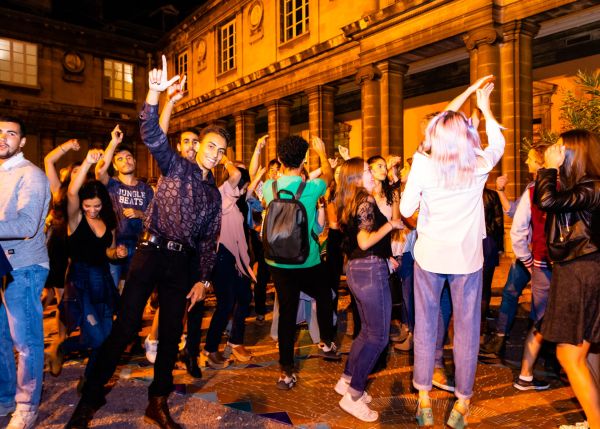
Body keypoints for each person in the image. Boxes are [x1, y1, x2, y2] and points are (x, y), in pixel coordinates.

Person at [66, 55, 225, 429]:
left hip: (182, 264)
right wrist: (155, 94)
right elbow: (152, 133)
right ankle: (89, 400)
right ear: (199, 146)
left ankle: (158, 401)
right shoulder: (176, 165)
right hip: (149, 252)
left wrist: (202, 280)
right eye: (210, 146)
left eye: (221, 151)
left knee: (171, 333)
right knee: (125, 328)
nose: (214, 154)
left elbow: (208, 241)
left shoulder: (214, 196)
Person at [400, 75, 503, 428]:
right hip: (466, 260)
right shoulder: (478, 164)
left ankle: (425, 400)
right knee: (466, 329)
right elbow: (499, 142)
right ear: (467, 137)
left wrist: (466, 94)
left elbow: (404, 209)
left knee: (427, 327)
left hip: (430, 257)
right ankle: (461, 403)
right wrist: (484, 106)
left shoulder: (423, 164)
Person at [262, 134, 339, 390]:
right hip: (307, 260)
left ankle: (286, 371)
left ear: (281, 159)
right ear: (304, 158)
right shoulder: (311, 187)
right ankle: (327, 342)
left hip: (278, 263)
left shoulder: (268, 188)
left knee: (286, 313)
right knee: (325, 297)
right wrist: (323, 151)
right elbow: (330, 177)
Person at [535, 129, 600, 429]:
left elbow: (546, 200)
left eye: (561, 149)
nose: (557, 152)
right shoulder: (584, 187)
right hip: (579, 270)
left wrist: (547, 168)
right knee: (583, 353)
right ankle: (594, 419)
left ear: (575, 153)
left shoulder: (593, 187)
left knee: (568, 354)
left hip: (581, 272)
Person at [333, 157, 403, 422]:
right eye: (366, 171)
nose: (371, 174)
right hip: (370, 271)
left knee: (365, 333)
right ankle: (353, 395)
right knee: (379, 337)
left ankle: (347, 380)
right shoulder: (365, 202)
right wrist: (390, 226)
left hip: (357, 269)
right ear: (354, 177)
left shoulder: (352, 201)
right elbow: (364, 242)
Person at [0, 116, 51, 429]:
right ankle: (5, 399)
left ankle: (26, 407)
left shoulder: (31, 174)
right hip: (1, 267)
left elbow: (27, 225)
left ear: (22, 141)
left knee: (26, 341)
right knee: (1, 339)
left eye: (10, 133)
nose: (3, 137)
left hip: (25, 267)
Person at [60, 151, 127, 381]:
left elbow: (107, 252)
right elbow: (71, 192)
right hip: (81, 282)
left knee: (106, 337)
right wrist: (88, 163)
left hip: (104, 280)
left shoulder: (108, 222)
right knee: (96, 337)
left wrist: (117, 253)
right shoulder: (76, 218)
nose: (92, 210)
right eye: (87, 205)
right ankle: (64, 347)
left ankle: (89, 382)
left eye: (96, 206)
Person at [203, 159, 257, 366]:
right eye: (243, 187)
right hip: (222, 257)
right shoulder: (222, 195)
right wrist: (225, 159)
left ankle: (235, 341)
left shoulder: (234, 203)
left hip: (237, 260)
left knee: (244, 297)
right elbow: (235, 177)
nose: (243, 191)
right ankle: (210, 349)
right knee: (225, 304)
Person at [96, 125, 154, 291]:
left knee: (134, 294)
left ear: (134, 161)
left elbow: (155, 218)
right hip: (114, 245)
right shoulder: (112, 184)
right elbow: (99, 171)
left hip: (140, 247)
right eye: (120, 159)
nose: (126, 161)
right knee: (112, 293)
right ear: (114, 166)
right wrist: (113, 142)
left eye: (128, 157)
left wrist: (140, 214)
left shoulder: (146, 189)